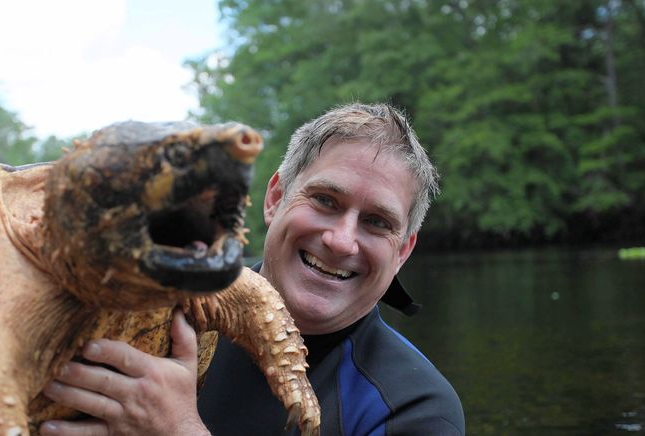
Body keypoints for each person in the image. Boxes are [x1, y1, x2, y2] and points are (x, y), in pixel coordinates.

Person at [39, 103, 465, 435]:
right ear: (275, 198)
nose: (340, 240)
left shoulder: (413, 406)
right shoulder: (165, 286)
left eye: (377, 222)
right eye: (325, 201)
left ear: (404, 250)